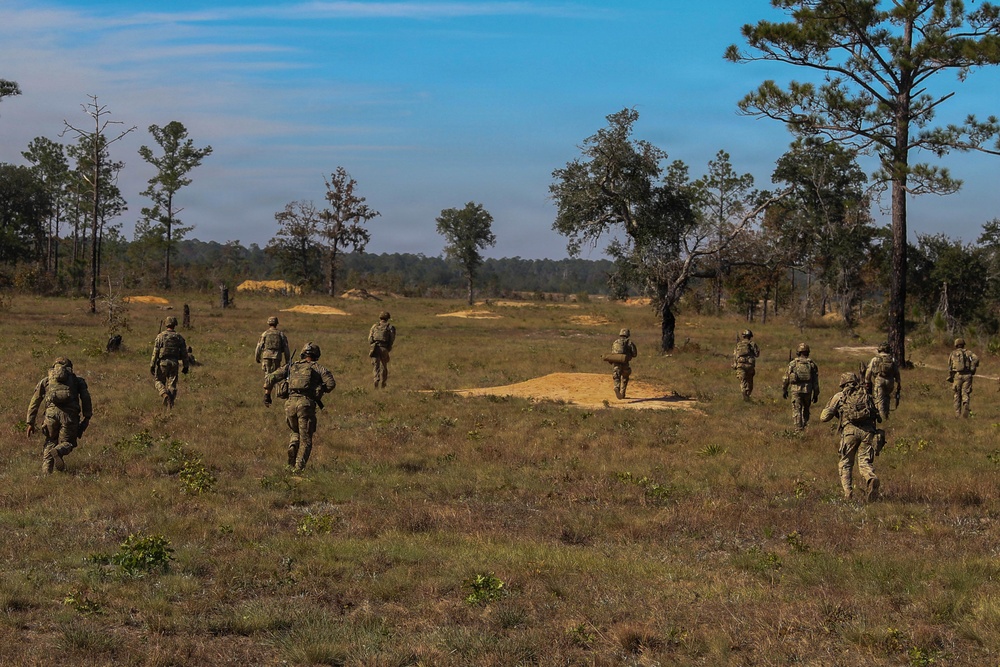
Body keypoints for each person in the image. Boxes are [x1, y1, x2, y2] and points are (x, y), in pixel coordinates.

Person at [264, 342, 336, 472]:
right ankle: (298, 469)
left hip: (290, 404)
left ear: (303, 353)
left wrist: (267, 395)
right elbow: (331, 384)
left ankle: (292, 448)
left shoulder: (291, 366)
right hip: (306, 405)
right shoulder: (318, 368)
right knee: (306, 440)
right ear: (316, 355)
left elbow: (270, 378)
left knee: (295, 431)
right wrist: (318, 391)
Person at [820, 372, 883, 501]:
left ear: (842, 383)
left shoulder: (840, 396)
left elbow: (824, 417)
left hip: (849, 433)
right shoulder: (866, 395)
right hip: (868, 433)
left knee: (846, 463)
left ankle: (848, 493)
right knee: (865, 462)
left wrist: (836, 410)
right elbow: (879, 416)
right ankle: (871, 478)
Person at [25, 357, 93, 474]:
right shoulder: (78, 381)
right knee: (68, 442)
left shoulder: (46, 381)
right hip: (69, 416)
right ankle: (59, 451)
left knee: (50, 441)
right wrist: (87, 417)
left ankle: (46, 473)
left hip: (50, 416)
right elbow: (86, 398)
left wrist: (30, 422)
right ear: (70, 368)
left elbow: (35, 401)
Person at [150, 316, 189, 408]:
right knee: (172, 385)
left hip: (162, 363)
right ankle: (170, 404)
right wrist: (186, 366)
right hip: (174, 363)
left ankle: (164, 394)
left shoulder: (160, 336)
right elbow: (184, 353)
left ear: (166, 324)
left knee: (158, 381)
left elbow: (155, 352)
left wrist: (152, 365)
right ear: (175, 324)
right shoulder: (179, 337)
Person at [782, 343, 820, 431]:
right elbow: (815, 382)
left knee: (796, 410)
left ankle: (798, 429)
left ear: (798, 352)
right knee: (806, 409)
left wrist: (784, 390)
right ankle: (805, 424)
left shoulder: (793, 364)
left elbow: (786, 378)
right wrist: (816, 394)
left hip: (796, 390)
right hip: (808, 390)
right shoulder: (812, 364)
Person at [257, 316, 291, 406]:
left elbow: (259, 346)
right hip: (277, 357)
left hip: (266, 356)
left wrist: (257, 357)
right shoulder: (281, 334)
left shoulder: (265, 334)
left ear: (268, 323)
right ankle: (279, 393)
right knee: (277, 375)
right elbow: (286, 348)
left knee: (268, 374)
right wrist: (288, 361)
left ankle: (267, 395)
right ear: (276, 323)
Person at [864, 341, 901, 421]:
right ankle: (886, 415)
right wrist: (898, 382)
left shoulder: (875, 359)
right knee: (886, 398)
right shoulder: (892, 359)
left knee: (879, 400)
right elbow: (897, 372)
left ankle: (882, 419)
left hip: (879, 380)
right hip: (890, 381)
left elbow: (868, 371)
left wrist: (867, 382)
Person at [948, 337, 979, 418]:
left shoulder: (953, 353)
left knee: (957, 395)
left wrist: (951, 376)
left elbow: (950, 366)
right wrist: (972, 367)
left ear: (956, 344)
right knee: (965, 392)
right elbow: (976, 359)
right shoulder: (969, 353)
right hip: (968, 375)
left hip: (957, 376)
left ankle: (957, 414)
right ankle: (966, 404)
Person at [368, 310, 397, 389]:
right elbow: (392, 339)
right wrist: (388, 347)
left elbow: (370, 338)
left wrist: (372, 345)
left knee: (375, 366)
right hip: (384, 348)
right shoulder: (390, 327)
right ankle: (383, 382)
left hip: (375, 347)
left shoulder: (374, 326)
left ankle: (376, 379)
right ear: (388, 318)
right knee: (384, 366)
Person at [732, 329, 761, 401]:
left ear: (743, 336)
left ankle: (745, 396)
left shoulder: (738, 344)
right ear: (750, 336)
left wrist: (735, 364)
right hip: (750, 365)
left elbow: (735, 355)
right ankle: (747, 397)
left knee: (743, 381)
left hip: (740, 365)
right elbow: (757, 354)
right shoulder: (752, 343)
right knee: (750, 382)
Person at [609, 328, 638, 400]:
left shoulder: (615, 342)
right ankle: (622, 393)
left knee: (616, 375)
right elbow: (634, 354)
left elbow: (613, 352)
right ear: (628, 334)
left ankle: (616, 387)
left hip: (616, 361)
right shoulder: (629, 342)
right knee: (625, 377)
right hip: (625, 362)